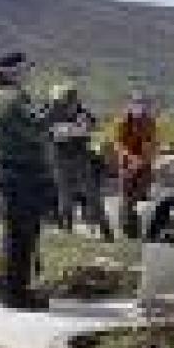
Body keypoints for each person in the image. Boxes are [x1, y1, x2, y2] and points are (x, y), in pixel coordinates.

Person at [0, 53, 53, 310]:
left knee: (16, 234)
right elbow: (35, 131)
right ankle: (16, 293)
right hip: (20, 175)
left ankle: (7, 286)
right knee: (22, 236)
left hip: (15, 174)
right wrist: (53, 113)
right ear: (11, 72)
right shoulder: (12, 99)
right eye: (25, 69)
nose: (28, 73)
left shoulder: (3, 97)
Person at [46, 83, 114, 241]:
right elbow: (49, 132)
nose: (72, 105)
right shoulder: (52, 113)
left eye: (74, 101)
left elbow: (91, 127)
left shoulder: (82, 113)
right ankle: (67, 231)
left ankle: (106, 231)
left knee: (93, 196)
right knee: (65, 197)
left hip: (81, 158)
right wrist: (69, 131)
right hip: (60, 159)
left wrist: (82, 128)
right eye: (68, 101)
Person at [113, 92, 158, 240]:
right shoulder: (124, 122)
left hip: (143, 165)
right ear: (130, 105)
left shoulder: (149, 122)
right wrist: (131, 160)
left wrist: (143, 160)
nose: (140, 107)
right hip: (127, 165)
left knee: (141, 197)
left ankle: (139, 229)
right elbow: (119, 145)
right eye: (137, 104)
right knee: (127, 198)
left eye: (142, 104)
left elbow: (151, 144)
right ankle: (126, 229)